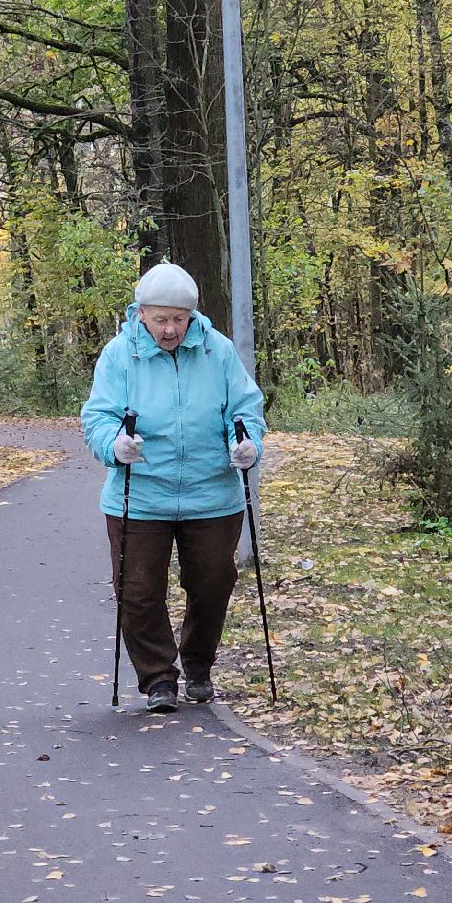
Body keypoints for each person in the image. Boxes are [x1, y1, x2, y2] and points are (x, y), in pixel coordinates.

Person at [81, 262, 265, 714]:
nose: (170, 330)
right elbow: (99, 416)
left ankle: (198, 667)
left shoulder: (218, 351)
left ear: (192, 316)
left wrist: (246, 444)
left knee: (213, 583)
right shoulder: (120, 355)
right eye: (161, 319)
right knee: (137, 590)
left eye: (179, 320)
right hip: (141, 494)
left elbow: (244, 409)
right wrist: (114, 444)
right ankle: (159, 677)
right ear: (141, 313)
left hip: (211, 493)